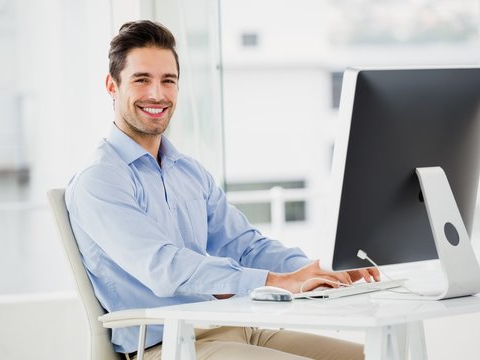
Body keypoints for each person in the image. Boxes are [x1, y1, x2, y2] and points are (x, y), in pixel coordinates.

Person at [66, 20, 379, 360]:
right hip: (167, 346)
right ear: (112, 86)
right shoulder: (100, 179)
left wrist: (319, 271)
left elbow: (244, 245)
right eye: (142, 80)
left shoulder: (188, 171)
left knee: (378, 357)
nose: (157, 94)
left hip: (239, 328)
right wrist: (279, 281)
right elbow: (164, 268)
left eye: (168, 81)